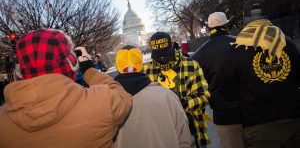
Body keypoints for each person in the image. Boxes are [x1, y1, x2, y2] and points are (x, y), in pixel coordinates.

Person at [0, 29, 132, 148]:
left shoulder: (3, 122)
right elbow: (123, 96)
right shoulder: (101, 102)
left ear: (21, 69)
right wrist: (88, 69)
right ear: (70, 63)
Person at [226, 1, 300, 148]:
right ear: (267, 17)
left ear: (245, 19)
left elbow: (229, 91)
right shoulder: (289, 44)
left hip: (258, 131)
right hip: (294, 125)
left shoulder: (236, 51)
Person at [113, 45, 193, 148]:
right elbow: (185, 139)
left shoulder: (104, 102)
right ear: (141, 66)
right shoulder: (168, 96)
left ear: (118, 67)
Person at [144, 32, 211, 148]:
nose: (162, 59)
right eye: (158, 56)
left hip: (192, 129)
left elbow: (204, 95)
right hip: (162, 134)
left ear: (172, 46)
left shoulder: (191, 65)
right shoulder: (146, 71)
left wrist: (182, 103)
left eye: (165, 55)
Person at [191, 12, 244, 148]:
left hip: (224, 116)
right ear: (226, 24)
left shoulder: (199, 54)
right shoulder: (242, 43)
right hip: (251, 110)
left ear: (209, 28)